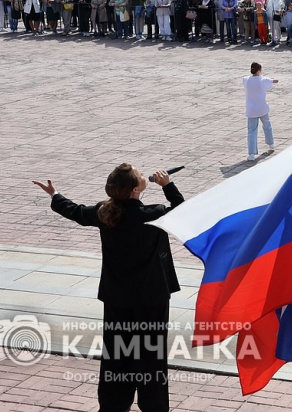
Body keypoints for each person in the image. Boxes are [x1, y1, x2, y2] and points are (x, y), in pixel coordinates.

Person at [32, 165, 184, 412]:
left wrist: (54, 194)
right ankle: (153, 406)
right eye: (139, 174)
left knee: (116, 353)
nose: (144, 173)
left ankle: (114, 404)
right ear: (136, 189)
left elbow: (77, 213)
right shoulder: (152, 213)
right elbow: (181, 210)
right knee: (150, 355)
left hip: (117, 296)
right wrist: (167, 185)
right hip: (151, 297)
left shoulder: (106, 211)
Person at [243, 62, 277, 159]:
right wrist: (272, 78)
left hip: (251, 109)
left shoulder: (245, 80)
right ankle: (271, 144)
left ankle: (252, 154)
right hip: (262, 108)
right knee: (267, 126)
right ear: (259, 70)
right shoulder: (263, 80)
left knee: (251, 131)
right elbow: (274, 81)